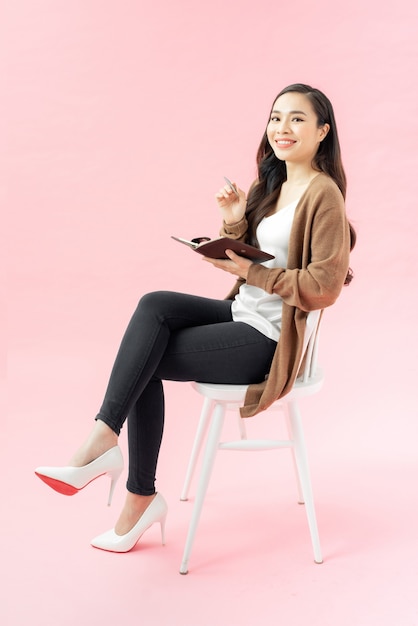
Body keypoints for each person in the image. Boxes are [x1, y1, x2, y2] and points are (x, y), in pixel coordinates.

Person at [35, 83, 355, 553]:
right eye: (275, 117)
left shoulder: (323, 195)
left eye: (297, 119)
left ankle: (131, 488)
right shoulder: (272, 186)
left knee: (147, 360)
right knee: (154, 304)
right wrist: (231, 221)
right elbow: (245, 257)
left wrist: (255, 274)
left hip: (269, 338)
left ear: (322, 132)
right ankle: (107, 444)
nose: (282, 128)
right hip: (241, 312)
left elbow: (324, 287)